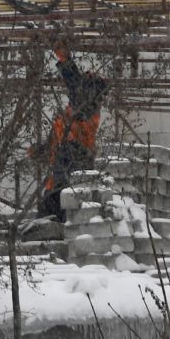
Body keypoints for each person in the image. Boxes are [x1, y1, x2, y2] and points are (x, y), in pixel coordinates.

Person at [36, 44, 106, 220]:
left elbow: (76, 87)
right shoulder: (70, 115)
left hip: (73, 168)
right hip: (59, 178)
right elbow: (54, 142)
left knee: (59, 213)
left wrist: (66, 62)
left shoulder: (87, 113)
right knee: (49, 215)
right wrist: (40, 150)